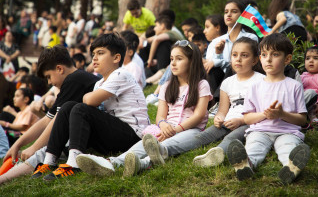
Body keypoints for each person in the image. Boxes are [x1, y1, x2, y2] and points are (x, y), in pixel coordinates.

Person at [75, 41, 212, 177]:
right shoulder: (167, 86)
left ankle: (144, 163)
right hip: (168, 128)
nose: (173, 63)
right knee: (144, 143)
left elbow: (198, 116)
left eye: (179, 59)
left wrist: (175, 130)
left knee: (168, 143)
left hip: (191, 129)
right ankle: (111, 162)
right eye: (171, 59)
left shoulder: (201, 84)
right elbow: (160, 116)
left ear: (192, 61)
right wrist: (163, 125)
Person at [32, 33, 149, 181]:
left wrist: (87, 98)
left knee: (81, 109)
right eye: (93, 54)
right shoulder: (99, 84)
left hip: (133, 136)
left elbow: (89, 101)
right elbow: (90, 101)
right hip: (114, 134)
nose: (94, 58)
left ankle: (74, 163)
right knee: (68, 107)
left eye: (100, 53)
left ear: (116, 58)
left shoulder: (121, 74)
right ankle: (49, 161)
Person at [0, 45, 98, 185]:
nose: (49, 82)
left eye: (48, 77)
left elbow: (56, 122)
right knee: (45, 149)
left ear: (59, 68)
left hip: (90, 136)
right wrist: (17, 144)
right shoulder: (72, 81)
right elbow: (47, 119)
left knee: (45, 151)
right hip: (85, 132)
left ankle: (3, 180)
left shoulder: (74, 80)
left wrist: (34, 148)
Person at [226, 33, 310, 184]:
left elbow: (302, 120)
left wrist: (282, 114)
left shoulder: (294, 86)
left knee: (287, 148)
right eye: (264, 54)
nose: (268, 59)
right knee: (253, 147)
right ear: (260, 58)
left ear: (287, 59)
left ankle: (291, 168)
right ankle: (246, 165)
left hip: (287, 131)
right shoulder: (255, 86)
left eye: (275, 54)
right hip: (260, 131)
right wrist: (265, 114)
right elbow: (247, 118)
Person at [193, 37, 265, 167]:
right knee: (203, 137)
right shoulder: (227, 82)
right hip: (227, 122)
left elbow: (263, 111)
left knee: (232, 138)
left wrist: (241, 121)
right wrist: (219, 118)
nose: (238, 59)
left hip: (248, 123)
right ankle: (169, 149)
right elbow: (222, 110)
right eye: (234, 55)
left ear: (254, 60)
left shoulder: (262, 81)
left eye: (244, 55)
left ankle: (216, 154)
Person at [205, 0, 258, 96]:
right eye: (226, 12)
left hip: (240, 77)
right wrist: (218, 53)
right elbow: (209, 66)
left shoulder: (250, 38)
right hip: (217, 81)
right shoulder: (215, 42)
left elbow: (243, 63)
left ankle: (218, 101)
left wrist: (217, 60)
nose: (228, 15)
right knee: (212, 71)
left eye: (234, 11)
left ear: (242, 15)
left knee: (233, 66)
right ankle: (214, 102)